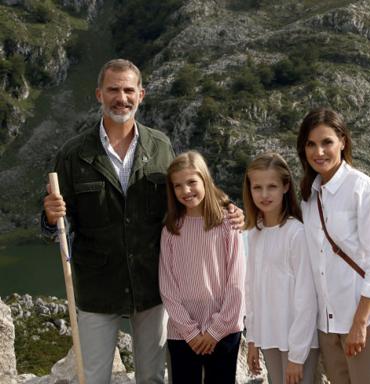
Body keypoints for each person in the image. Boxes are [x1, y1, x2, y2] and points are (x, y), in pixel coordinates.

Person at [41, 59, 243, 383]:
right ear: (99, 94)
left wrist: (227, 205)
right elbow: (59, 224)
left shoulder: (160, 145)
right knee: (93, 377)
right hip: (97, 286)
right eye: (113, 90)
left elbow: (187, 190)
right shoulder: (72, 154)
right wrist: (51, 218)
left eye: (128, 90)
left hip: (152, 284)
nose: (121, 97)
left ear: (141, 94)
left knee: (151, 377)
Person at [296, 108, 370, 384]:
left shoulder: (361, 188)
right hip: (328, 328)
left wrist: (359, 324)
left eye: (327, 142)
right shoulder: (308, 196)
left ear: (343, 141)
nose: (319, 152)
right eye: (311, 144)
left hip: (362, 323)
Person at [159, 151, 245, 383]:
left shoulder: (228, 223)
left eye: (192, 182)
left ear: (205, 180)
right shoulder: (171, 230)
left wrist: (215, 331)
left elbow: (237, 283)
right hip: (182, 334)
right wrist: (191, 332)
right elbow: (167, 288)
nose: (186, 191)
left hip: (224, 331)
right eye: (178, 186)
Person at [242, 152, 319, 384]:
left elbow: (307, 299)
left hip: (298, 343)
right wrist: (253, 339)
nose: (264, 195)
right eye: (257, 187)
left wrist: (297, 357)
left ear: (286, 186)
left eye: (272, 186)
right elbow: (252, 290)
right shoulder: (255, 233)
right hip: (269, 337)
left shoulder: (297, 233)